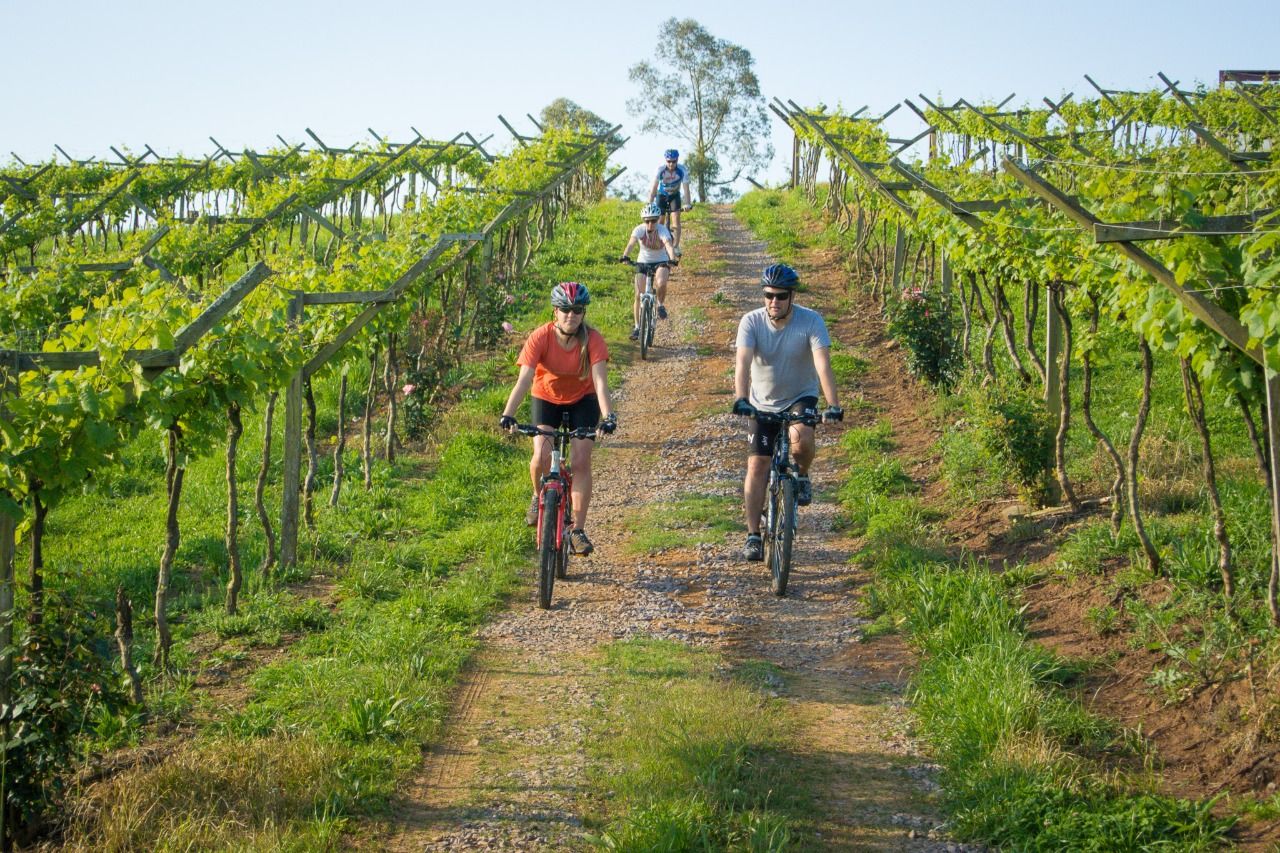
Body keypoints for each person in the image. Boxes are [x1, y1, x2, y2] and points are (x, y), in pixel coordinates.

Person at [731, 263, 843, 561]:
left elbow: (822, 365)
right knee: (757, 466)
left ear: (792, 296)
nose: (774, 302)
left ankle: (802, 475)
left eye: (781, 296)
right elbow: (742, 363)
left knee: (802, 439)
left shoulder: (811, 321)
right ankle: (754, 534)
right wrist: (741, 399)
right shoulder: (751, 322)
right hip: (762, 402)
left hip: (799, 397)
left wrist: (832, 405)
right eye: (768, 295)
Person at [500, 282, 617, 556]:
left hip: (583, 399)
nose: (571, 316)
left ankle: (577, 529)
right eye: (565, 310)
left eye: (577, 310)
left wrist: (608, 416)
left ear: (583, 313)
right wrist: (508, 413)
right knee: (541, 456)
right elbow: (524, 380)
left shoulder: (593, 340)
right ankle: (536, 495)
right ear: (555, 311)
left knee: (579, 460)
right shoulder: (540, 337)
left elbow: (600, 383)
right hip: (546, 397)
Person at [619, 202, 678, 339]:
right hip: (643, 262)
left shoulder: (663, 230)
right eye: (647, 221)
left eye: (654, 220)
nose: (650, 224)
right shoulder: (639, 230)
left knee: (661, 282)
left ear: (658, 220)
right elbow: (631, 243)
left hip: (661, 261)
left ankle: (660, 305)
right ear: (643, 221)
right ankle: (637, 327)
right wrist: (625, 256)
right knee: (639, 293)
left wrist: (673, 258)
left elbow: (668, 245)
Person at [647, 149, 692, 256]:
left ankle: (676, 246)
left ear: (677, 160)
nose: (671, 164)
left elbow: (686, 189)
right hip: (661, 196)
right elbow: (654, 187)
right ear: (665, 161)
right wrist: (650, 202)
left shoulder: (682, 170)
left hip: (674, 196)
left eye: (674, 161)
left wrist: (687, 204)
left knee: (676, 221)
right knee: (660, 222)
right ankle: (657, 244)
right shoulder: (660, 170)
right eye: (669, 161)